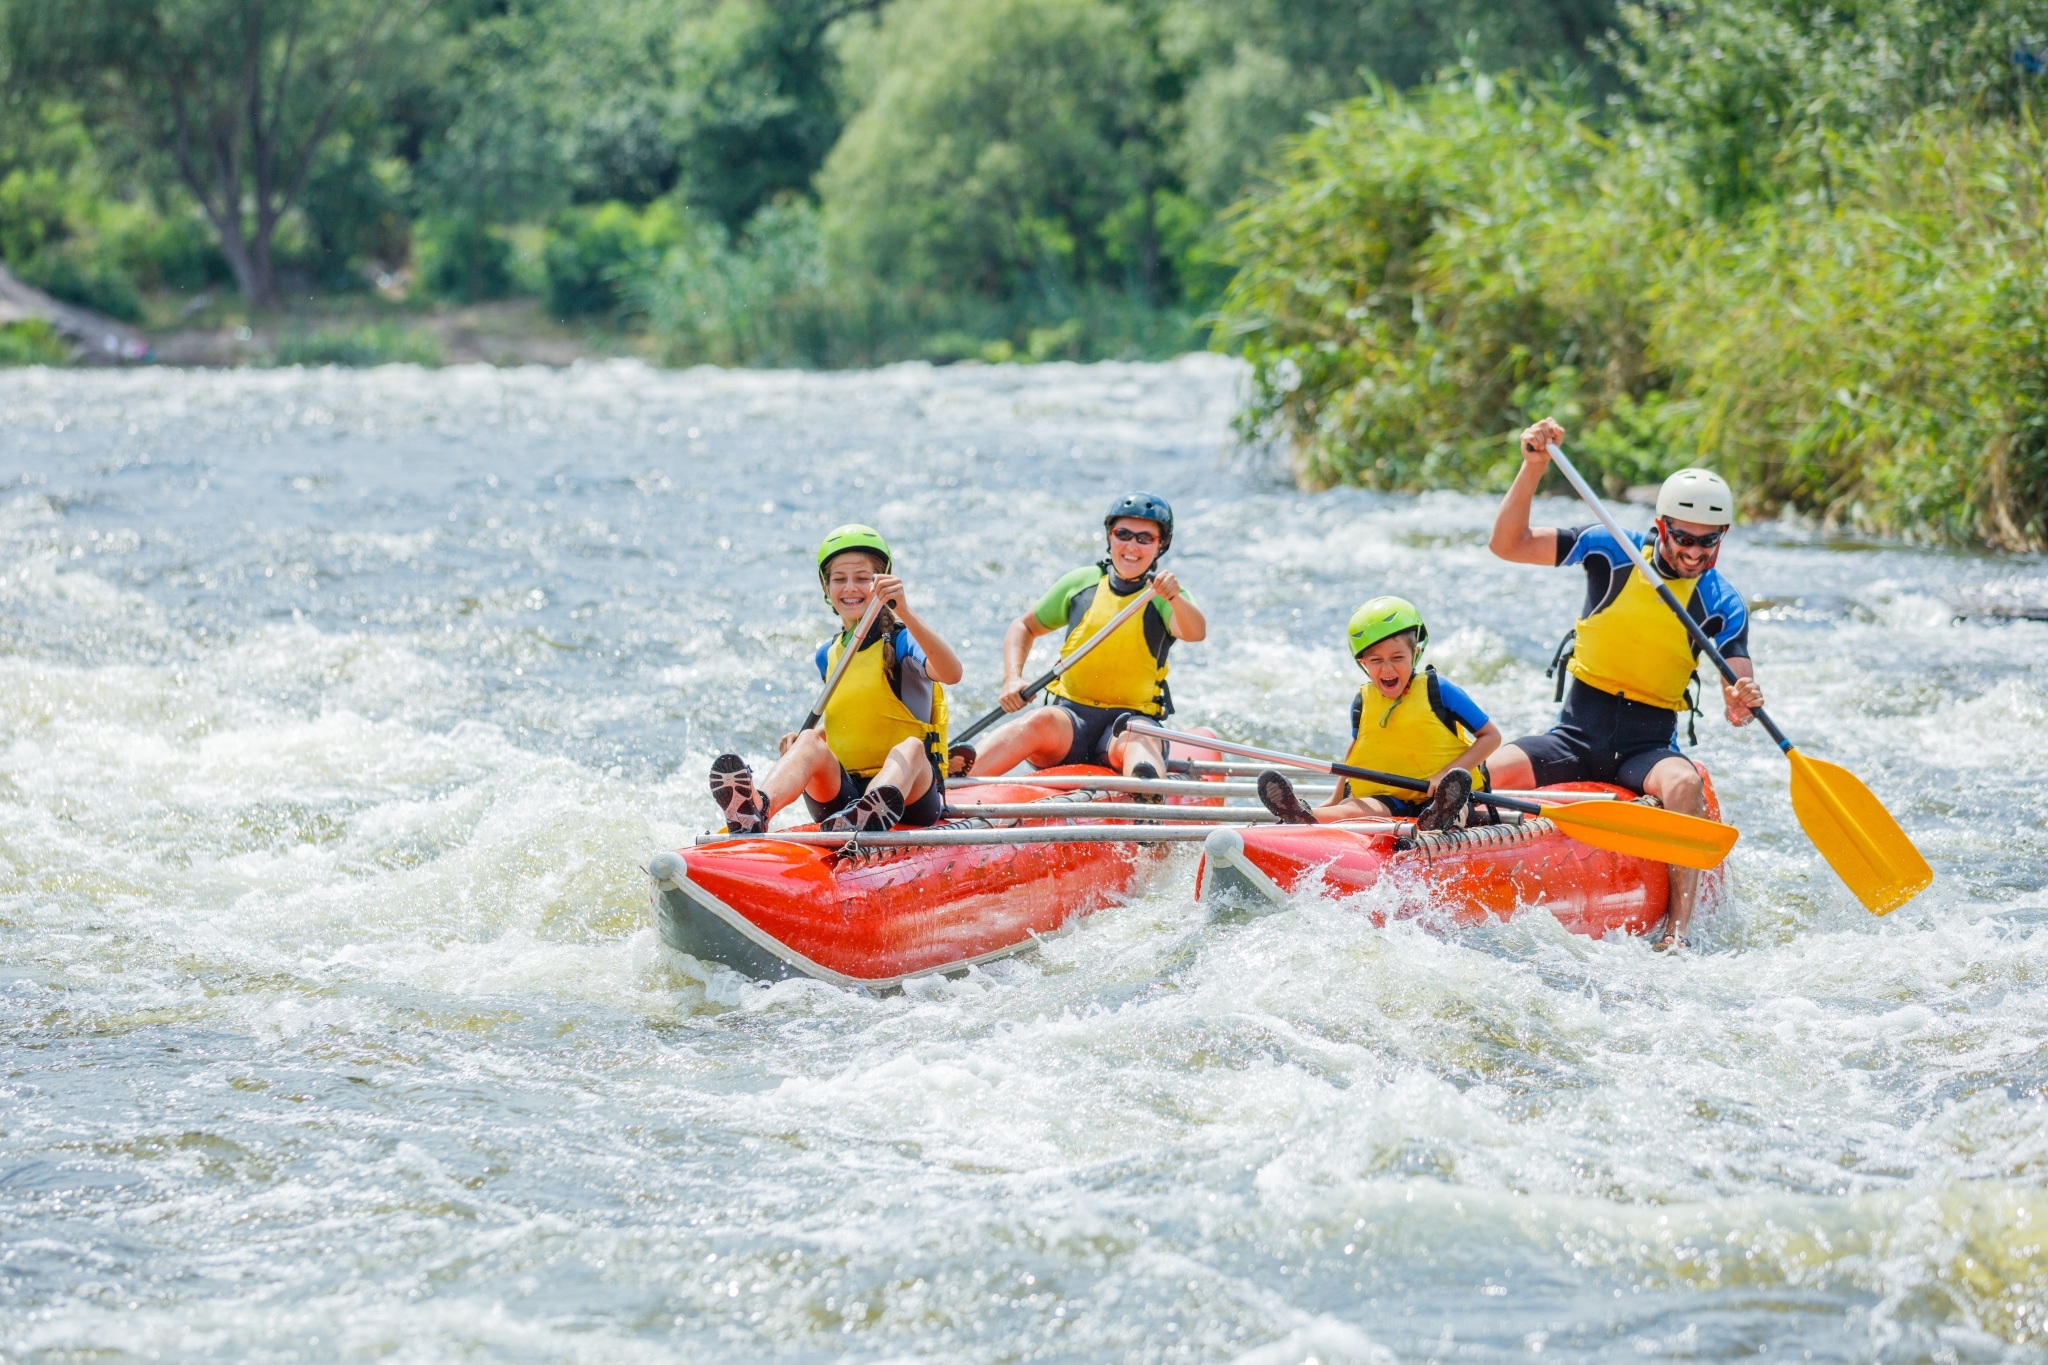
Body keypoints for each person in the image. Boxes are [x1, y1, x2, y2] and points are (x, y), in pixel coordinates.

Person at [1486, 418, 1766, 951]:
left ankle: (1677, 934)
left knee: (1684, 785)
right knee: (1476, 773)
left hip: (1646, 747)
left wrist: (1742, 700)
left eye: (1709, 542)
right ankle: (1407, 837)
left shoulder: (1722, 603)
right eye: (1684, 538)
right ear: (1661, 527)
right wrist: (1533, 466)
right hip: (1572, 735)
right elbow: (1508, 544)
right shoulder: (1611, 549)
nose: (1694, 553)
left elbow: (1739, 698)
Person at [709, 525, 963, 835]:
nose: (851, 588)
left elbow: (952, 674)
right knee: (808, 740)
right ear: (826, 588)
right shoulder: (827, 654)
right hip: (845, 796)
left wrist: (905, 611)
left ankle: (871, 810)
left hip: (910, 794)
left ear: (882, 582)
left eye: (862, 579)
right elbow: (856, 716)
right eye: (839, 580)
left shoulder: (901, 642)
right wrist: (806, 746)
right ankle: (757, 810)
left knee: (910, 747)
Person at [950, 492, 1206, 782]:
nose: (1132, 545)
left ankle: (1146, 791)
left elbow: (1195, 632)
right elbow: (1024, 627)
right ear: (1110, 536)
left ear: (1160, 545)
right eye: (1123, 534)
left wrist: (1173, 596)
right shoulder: (1082, 583)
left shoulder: (1164, 596)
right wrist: (1012, 678)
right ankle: (952, 782)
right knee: (1039, 719)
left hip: (1129, 723)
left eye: (1144, 538)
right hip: (1070, 722)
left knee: (1139, 738)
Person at [1257, 597, 1500, 831]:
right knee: (1350, 808)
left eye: (1397, 657)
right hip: (1388, 798)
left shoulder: (1441, 691)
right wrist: (1334, 799)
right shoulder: (1363, 701)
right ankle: (1303, 815)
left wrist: (1445, 774)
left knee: (1455, 809)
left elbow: (1491, 736)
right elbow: (1356, 753)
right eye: (1376, 660)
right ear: (1363, 662)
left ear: (1415, 653)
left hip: (1442, 795)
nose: (1387, 668)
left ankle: (1438, 825)